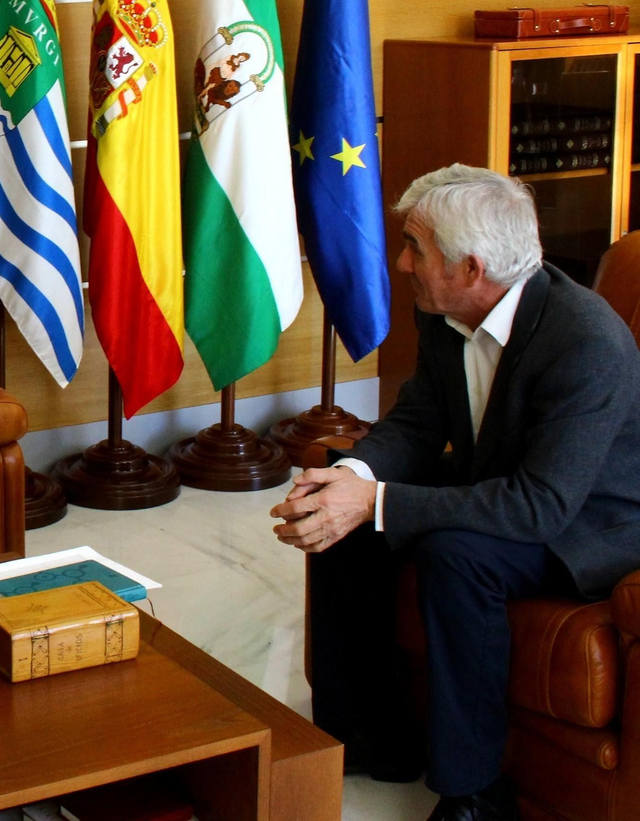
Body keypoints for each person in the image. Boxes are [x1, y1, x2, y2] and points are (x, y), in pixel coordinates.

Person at [269, 164, 640, 821]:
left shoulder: (587, 341)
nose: (403, 264)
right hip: (505, 479)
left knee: (455, 555)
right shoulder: (447, 311)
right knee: (341, 505)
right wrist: (353, 481)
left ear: (472, 268)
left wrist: (379, 502)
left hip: (587, 521)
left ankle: (474, 791)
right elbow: (419, 421)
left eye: (416, 248)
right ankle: (366, 739)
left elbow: (540, 506)